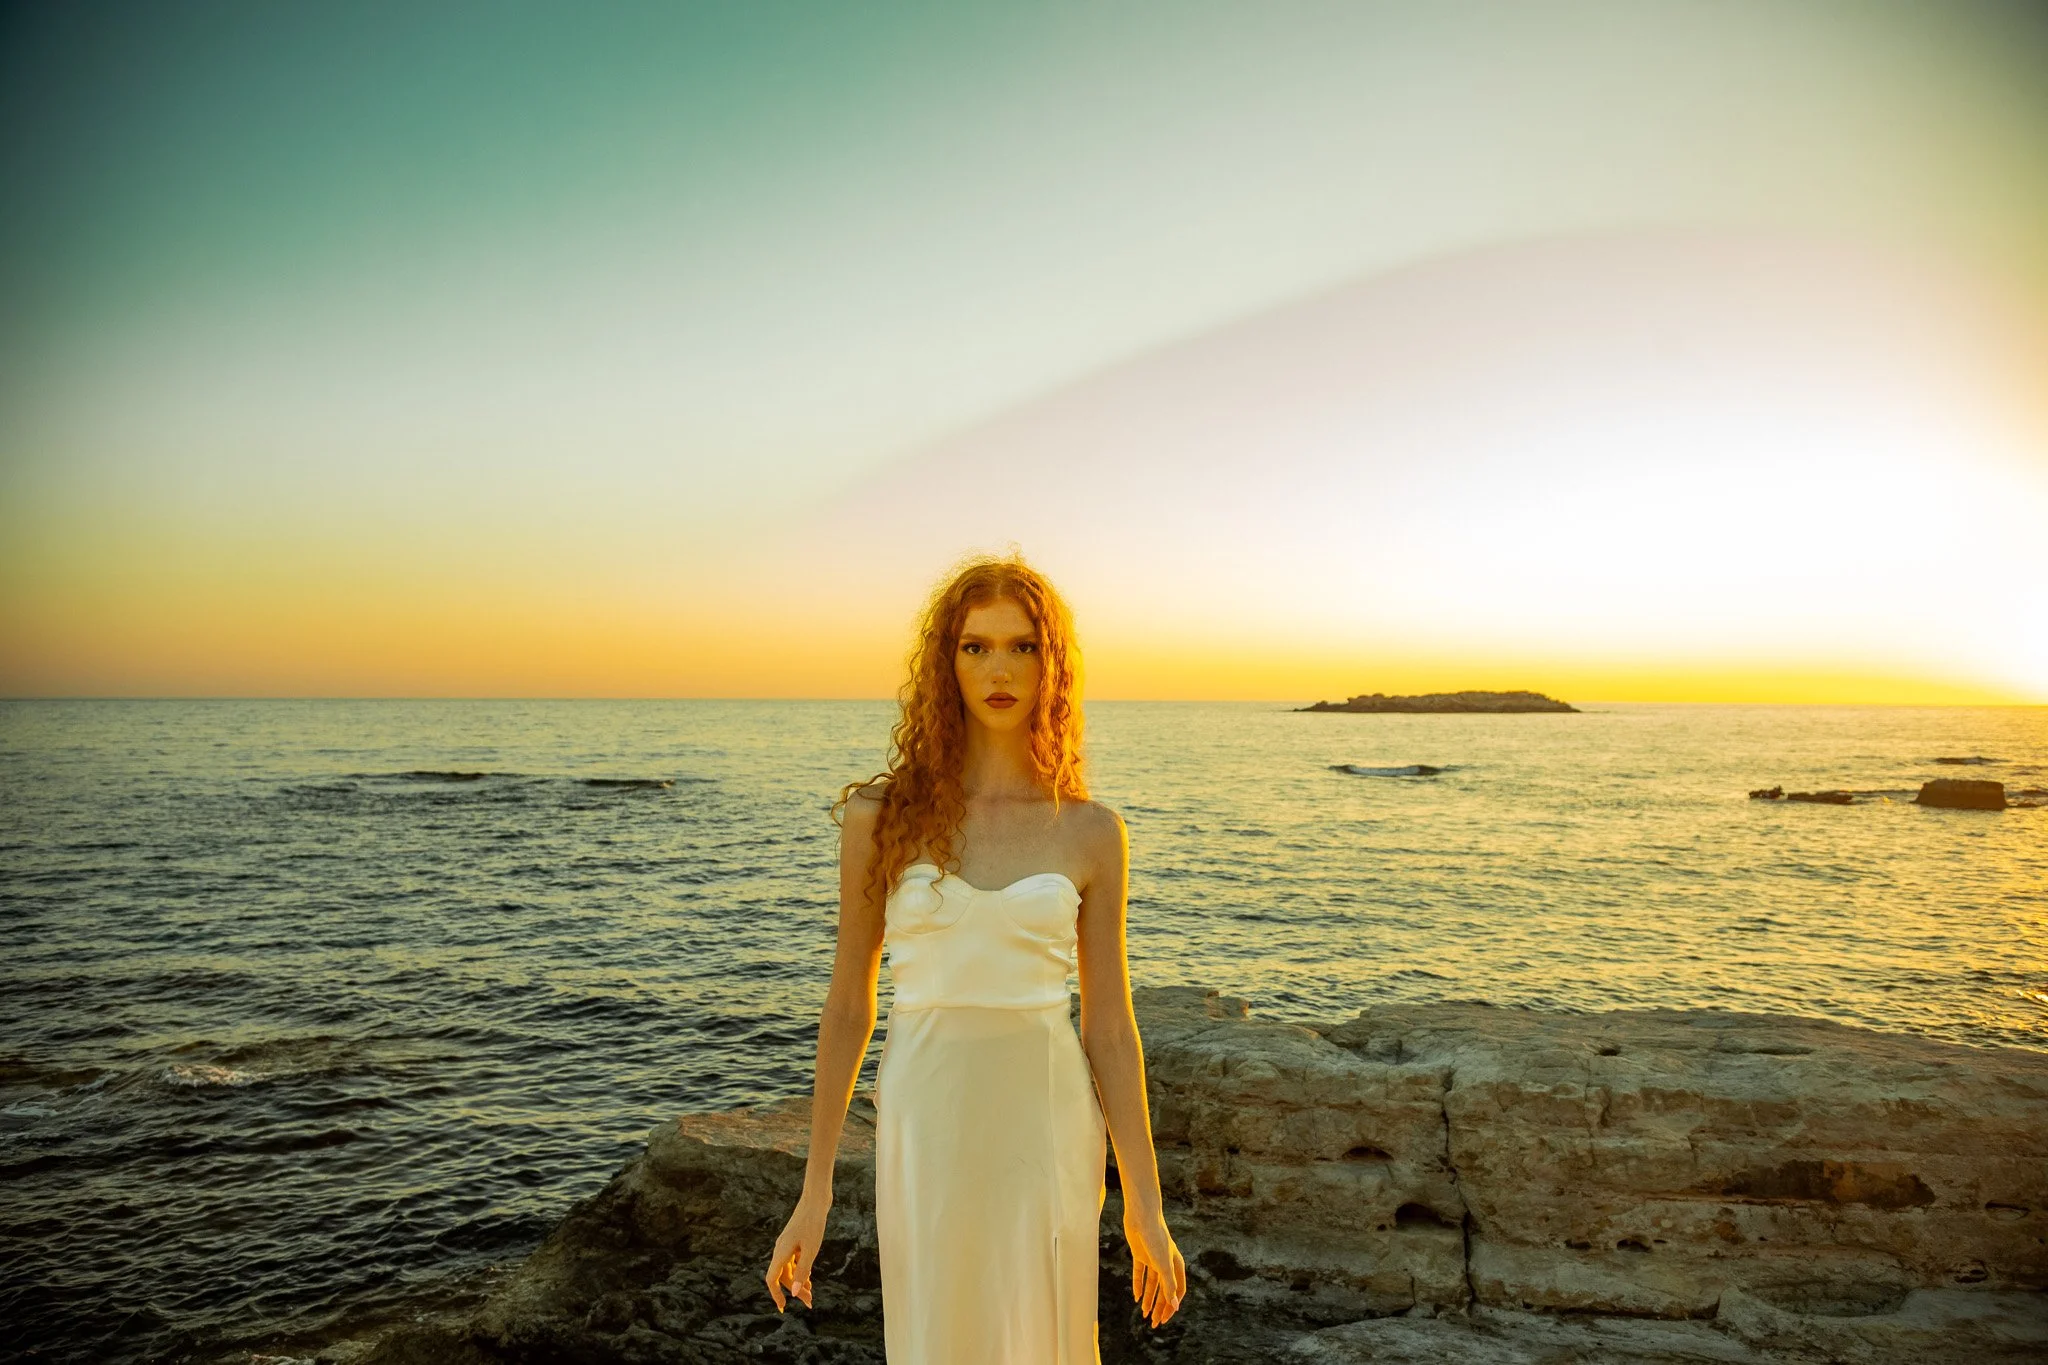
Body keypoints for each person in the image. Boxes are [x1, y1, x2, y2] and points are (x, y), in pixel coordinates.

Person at [763, 550, 1186, 1360]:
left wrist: (1146, 1202)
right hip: (927, 1114)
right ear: (945, 662)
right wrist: (813, 1191)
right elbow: (850, 1005)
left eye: (1023, 646)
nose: (1000, 667)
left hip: (1047, 1114)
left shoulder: (1091, 831)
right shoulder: (878, 816)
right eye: (976, 645)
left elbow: (1110, 1028)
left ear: (1051, 665)